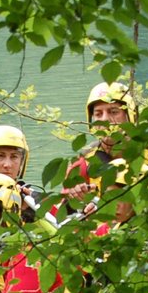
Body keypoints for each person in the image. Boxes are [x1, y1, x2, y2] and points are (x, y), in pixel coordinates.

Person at [59, 80, 137, 209]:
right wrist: (77, 199)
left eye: (113, 111)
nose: (105, 119)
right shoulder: (83, 162)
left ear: (129, 115)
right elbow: (63, 213)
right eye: (98, 114)